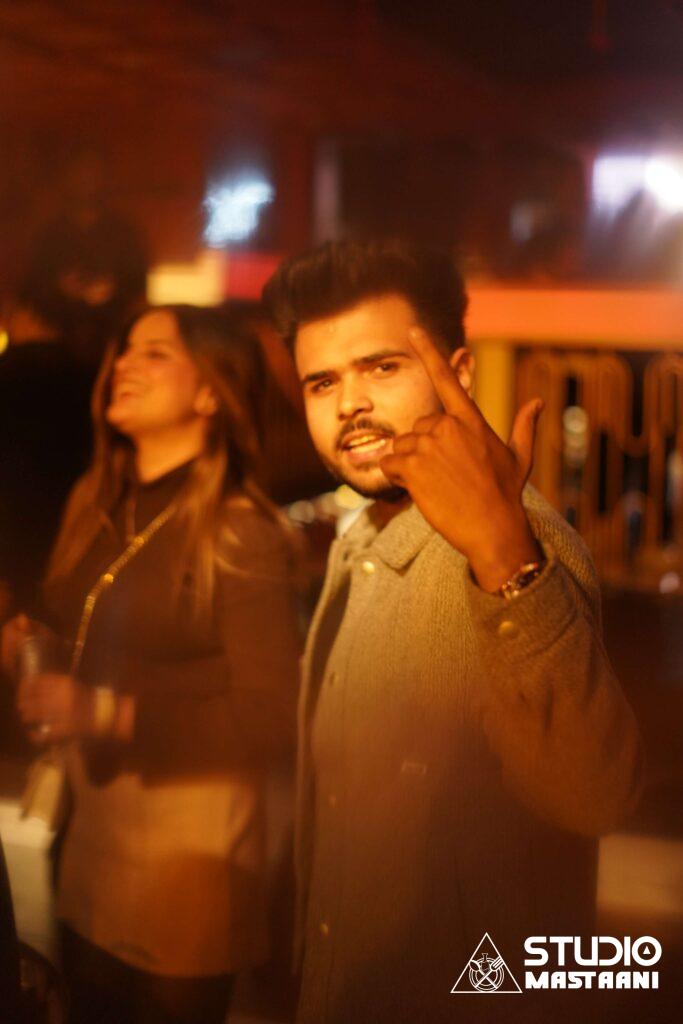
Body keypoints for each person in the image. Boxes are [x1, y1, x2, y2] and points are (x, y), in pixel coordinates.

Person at [262, 240, 643, 1023]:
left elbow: (595, 795)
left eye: (381, 367)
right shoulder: (356, 542)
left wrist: (505, 558)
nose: (349, 404)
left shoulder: (522, 542)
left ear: (457, 373)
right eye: (322, 381)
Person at [2, 304, 301, 1024]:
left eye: (157, 353)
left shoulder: (239, 531)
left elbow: (272, 717)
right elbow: (102, 641)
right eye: (127, 350)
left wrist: (101, 711)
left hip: (182, 879)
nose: (125, 364)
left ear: (210, 393)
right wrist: (31, 644)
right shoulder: (96, 503)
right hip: (89, 852)